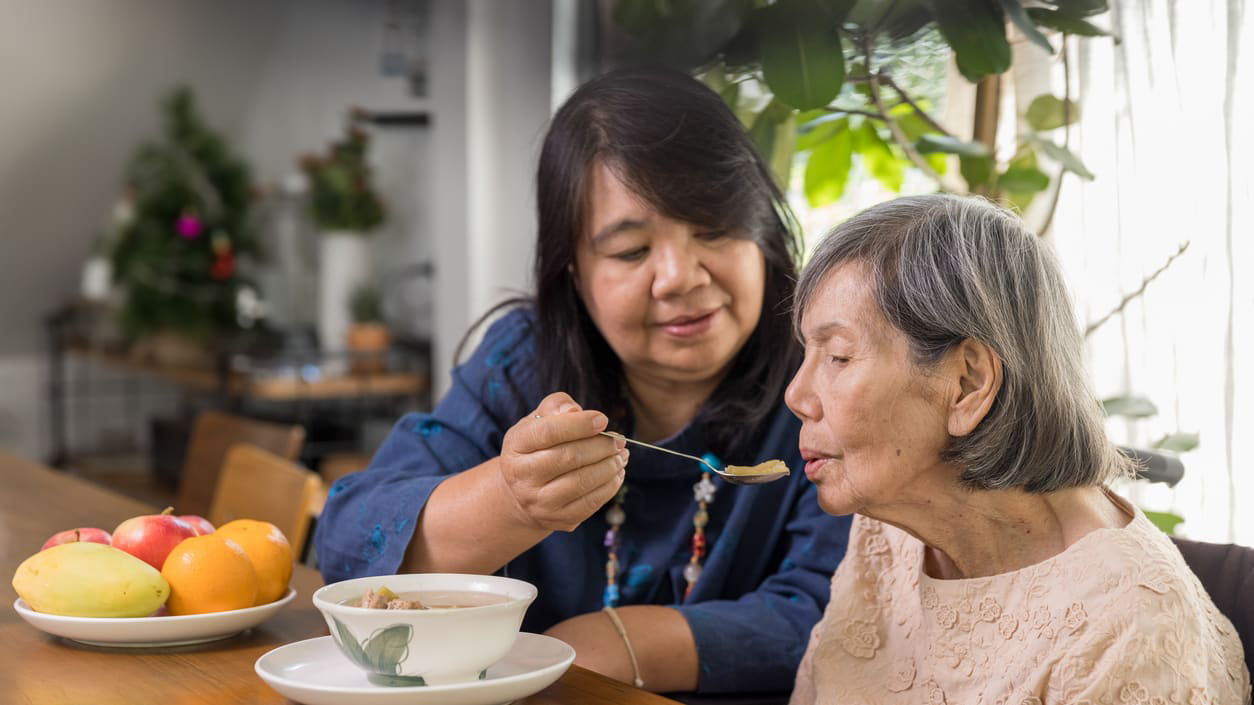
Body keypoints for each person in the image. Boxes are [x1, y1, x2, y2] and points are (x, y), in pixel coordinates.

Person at [314, 66, 852, 695]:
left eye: (713, 229)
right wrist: (511, 500)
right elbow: (349, 546)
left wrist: (614, 644)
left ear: (761, 231)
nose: (679, 276)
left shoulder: (827, 377)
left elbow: (838, 611)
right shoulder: (523, 362)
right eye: (631, 251)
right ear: (573, 271)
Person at [784, 194, 1249, 704]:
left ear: (967, 384)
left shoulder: (1127, 631)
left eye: (838, 356)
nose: (796, 396)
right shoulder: (889, 530)